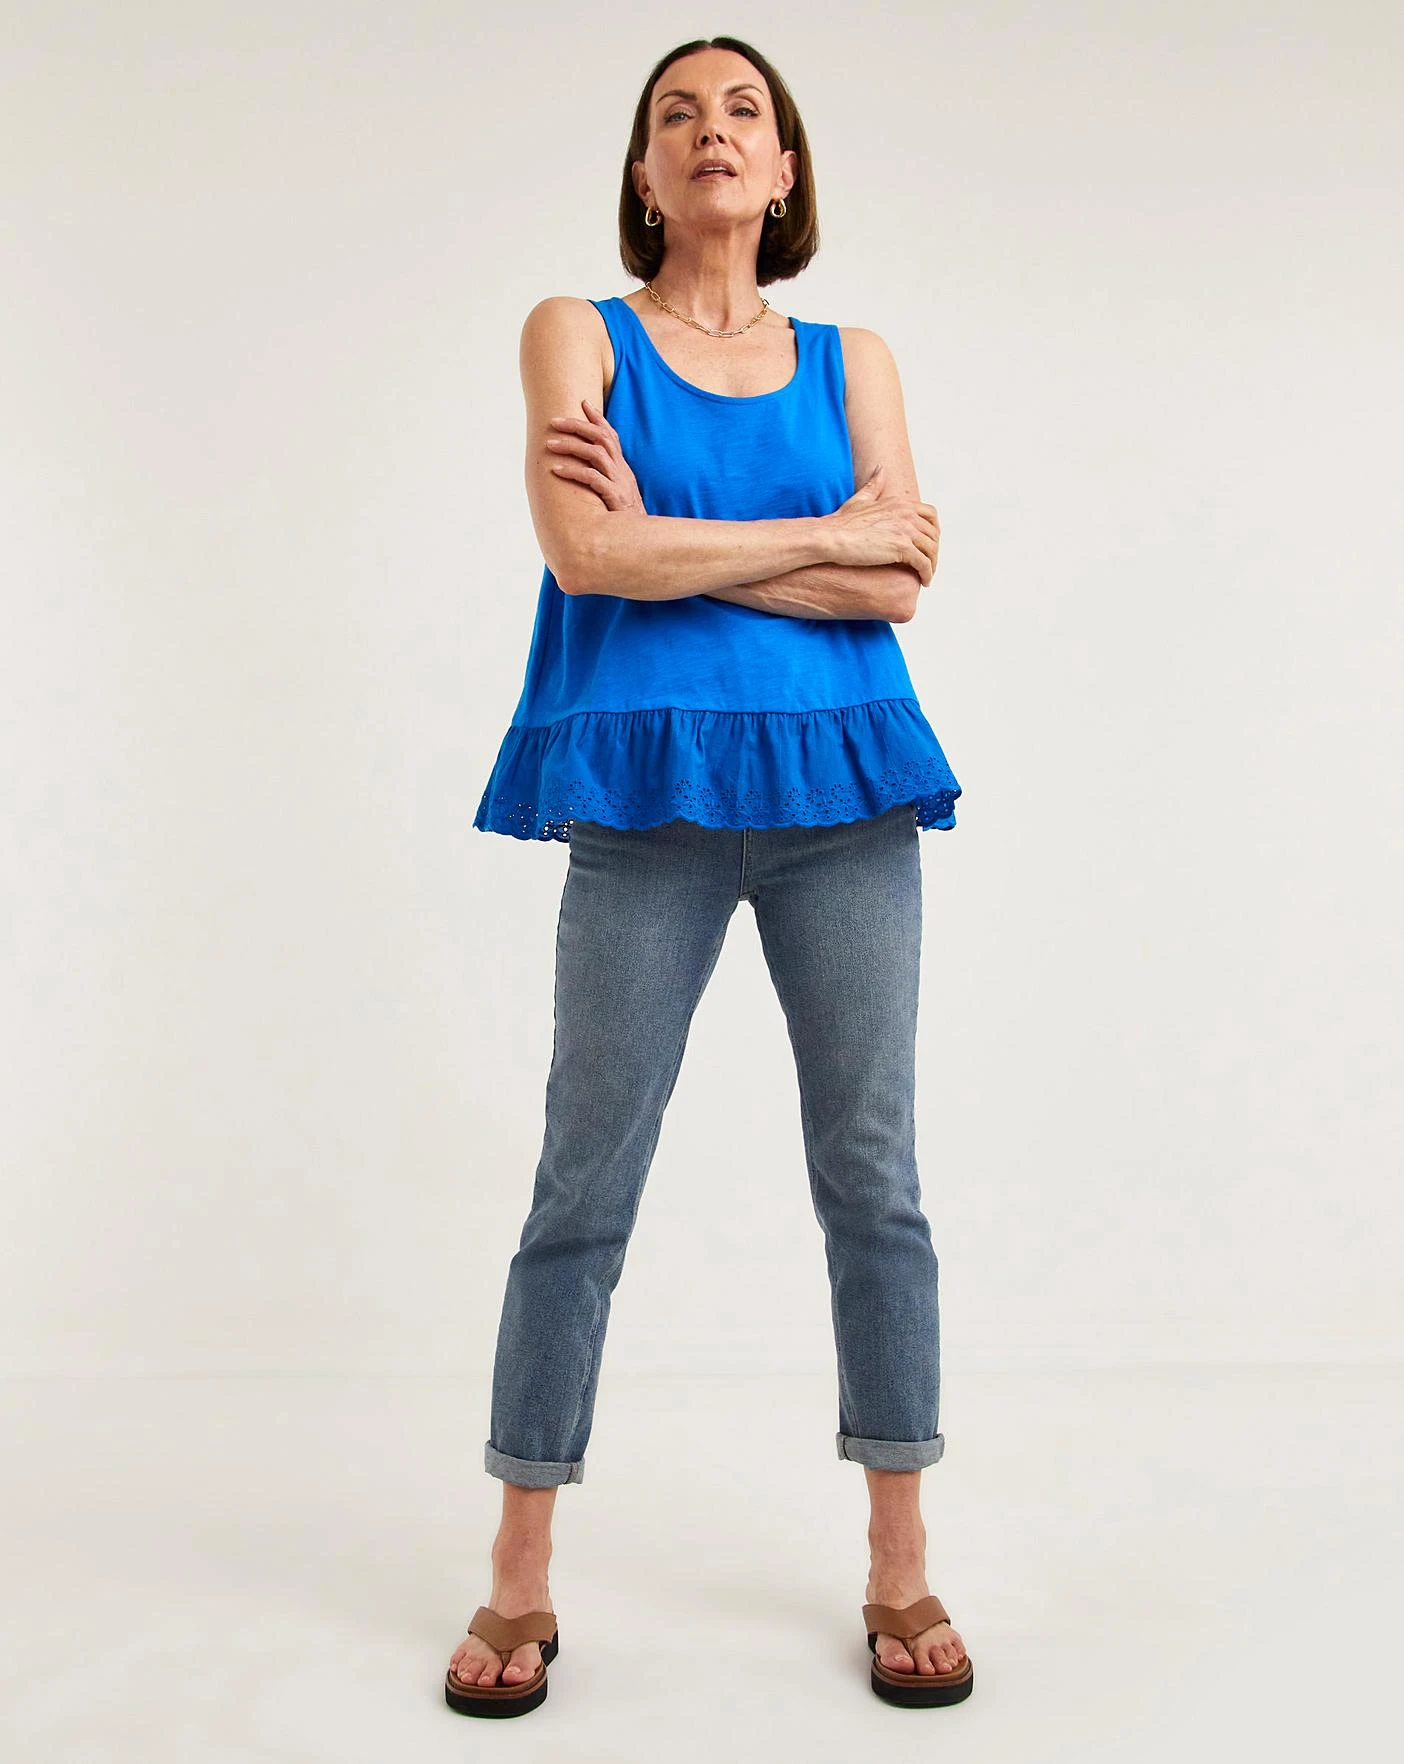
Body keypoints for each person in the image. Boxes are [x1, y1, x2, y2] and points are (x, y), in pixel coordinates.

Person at [445, 36, 973, 1717]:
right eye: (677, 113)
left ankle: (900, 1556)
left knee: (873, 1177)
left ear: (786, 168)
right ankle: (519, 1571)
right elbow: (584, 549)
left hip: (843, 794)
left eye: (744, 108)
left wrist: (682, 551)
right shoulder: (575, 333)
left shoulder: (854, 358)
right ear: (644, 172)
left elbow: (900, 589)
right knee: (581, 1185)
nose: (712, 129)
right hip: (647, 797)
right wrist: (823, 535)